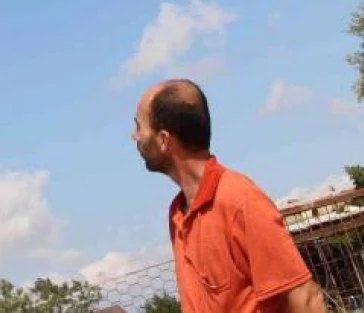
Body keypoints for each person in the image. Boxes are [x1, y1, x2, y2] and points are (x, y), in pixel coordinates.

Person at [131, 78, 327, 312]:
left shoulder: (241, 201)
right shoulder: (178, 214)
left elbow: (305, 299)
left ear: (163, 139)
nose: (135, 136)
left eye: (139, 126)